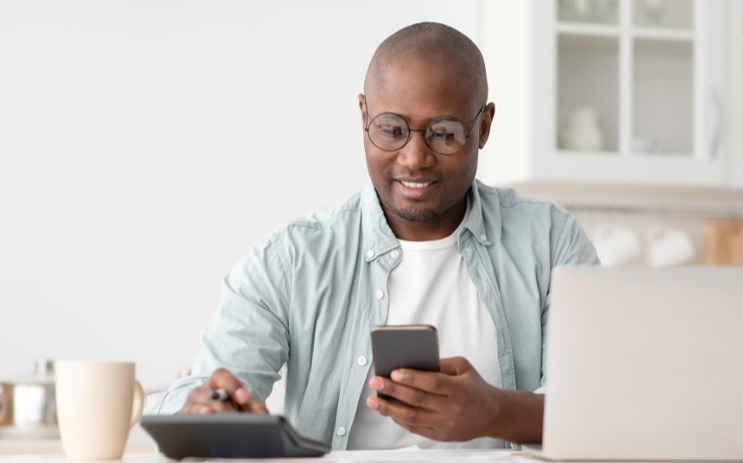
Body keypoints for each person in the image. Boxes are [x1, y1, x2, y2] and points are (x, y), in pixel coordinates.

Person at [144, 21, 598, 450]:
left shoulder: (552, 243)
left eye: (444, 133)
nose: (414, 158)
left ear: (483, 127)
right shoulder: (293, 260)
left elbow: (603, 413)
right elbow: (194, 396)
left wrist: (494, 412)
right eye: (392, 130)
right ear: (364, 115)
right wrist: (203, 410)